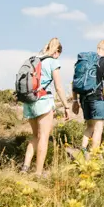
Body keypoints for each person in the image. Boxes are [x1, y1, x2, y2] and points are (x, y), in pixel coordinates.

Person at [20, 38, 71, 176]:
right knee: (43, 137)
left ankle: (25, 167)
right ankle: (38, 172)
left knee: (35, 136)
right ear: (57, 51)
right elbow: (59, 87)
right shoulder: (53, 61)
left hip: (28, 100)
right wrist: (66, 106)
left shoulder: (35, 60)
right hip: (43, 101)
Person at [71, 40, 104, 154]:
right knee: (98, 128)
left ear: (98, 49)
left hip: (83, 98)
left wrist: (75, 100)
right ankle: (93, 156)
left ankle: (83, 151)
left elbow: (75, 81)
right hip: (97, 98)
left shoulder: (84, 61)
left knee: (89, 126)